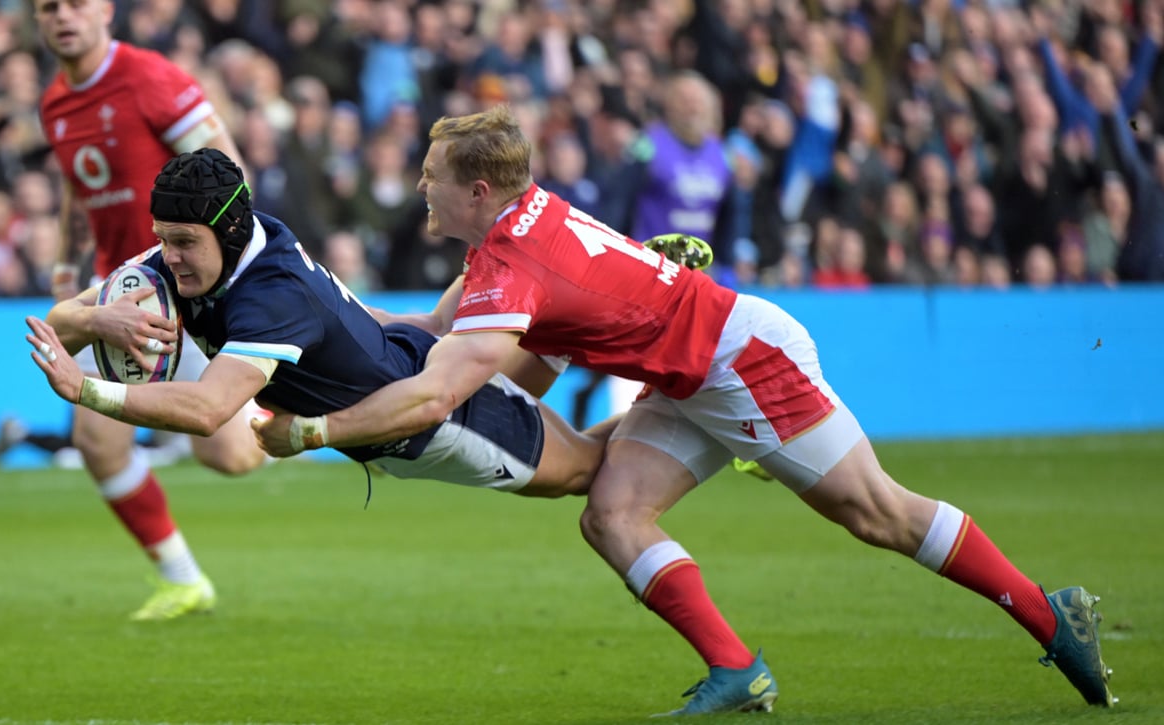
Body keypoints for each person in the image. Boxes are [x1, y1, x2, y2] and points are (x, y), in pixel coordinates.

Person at [251, 105, 1114, 714]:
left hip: (742, 361)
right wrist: (335, 321)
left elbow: (448, 387)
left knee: (877, 512)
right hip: (688, 376)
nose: (419, 193)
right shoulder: (511, 237)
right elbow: (441, 334)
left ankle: (1049, 609)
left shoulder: (513, 265)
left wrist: (318, 431)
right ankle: (737, 669)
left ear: (478, 189)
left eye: (431, 179)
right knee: (612, 514)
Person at [26, 148, 608, 512]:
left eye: (184, 243)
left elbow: (208, 410)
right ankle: (570, 324)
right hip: (407, 367)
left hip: (423, 420)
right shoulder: (190, 256)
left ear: (228, 234)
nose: (169, 257)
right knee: (559, 425)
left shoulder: (272, 292)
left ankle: (666, 389)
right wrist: (98, 316)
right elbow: (62, 321)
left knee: (585, 474)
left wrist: (84, 390)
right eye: (163, 237)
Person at [34, 0, 266, 621]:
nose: (63, 17)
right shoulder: (54, 101)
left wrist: (227, 276)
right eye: (48, 7)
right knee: (96, 439)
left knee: (230, 455)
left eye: (76, 4)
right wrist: (65, 271)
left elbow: (229, 175)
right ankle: (184, 579)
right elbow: (77, 189)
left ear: (106, 10)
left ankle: (276, 401)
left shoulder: (150, 78)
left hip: (180, 285)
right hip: (115, 292)